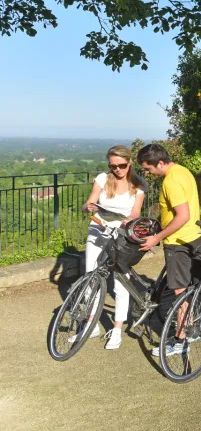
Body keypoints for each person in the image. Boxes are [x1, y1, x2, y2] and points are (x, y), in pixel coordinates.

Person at [136, 143, 201, 357]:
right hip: (192, 237)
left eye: (148, 169)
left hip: (177, 242)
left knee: (179, 292)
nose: (147, 173)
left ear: (161, 163)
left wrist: (157, 237)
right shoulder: (182, 171)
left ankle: (180, 342)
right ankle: (190, 331)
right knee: (187, 288)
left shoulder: (170, 181)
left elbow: (182, 215)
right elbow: (177, 210)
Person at [79, 145, 147, 350]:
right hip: (98, 229)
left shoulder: (139, 184)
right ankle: (91, 323)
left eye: (122, 165)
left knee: (120, 281)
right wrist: (89, 207)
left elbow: (136, 213)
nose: (117, 169)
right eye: (113, 165)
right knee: (91, 276)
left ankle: (117, 329)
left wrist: (125, 220)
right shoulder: (102, 179)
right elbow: (88, 204)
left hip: (122, 234)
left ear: (130, 163)